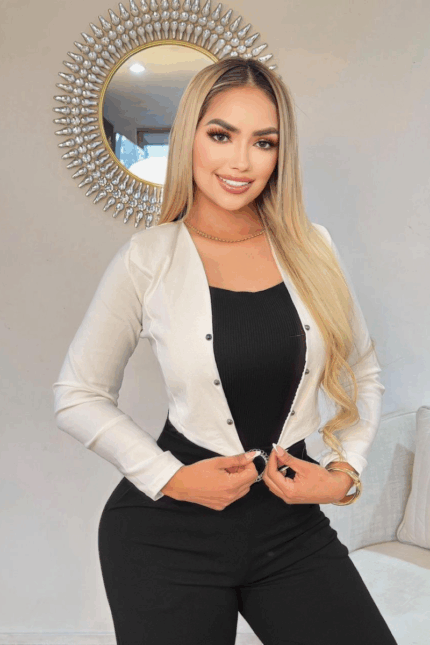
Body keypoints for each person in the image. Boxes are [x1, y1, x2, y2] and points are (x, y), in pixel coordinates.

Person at [53, 58, 397, 645]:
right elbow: (77, 395)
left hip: (290, 533)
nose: (241, 162)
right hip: (164, 538)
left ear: (280, 155)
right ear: (190, 137)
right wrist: (171, 477)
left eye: (264, 142)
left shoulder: (313, 248)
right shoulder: (149, 258)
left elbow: (362, 369)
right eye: (221, 135)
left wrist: (344, 475)